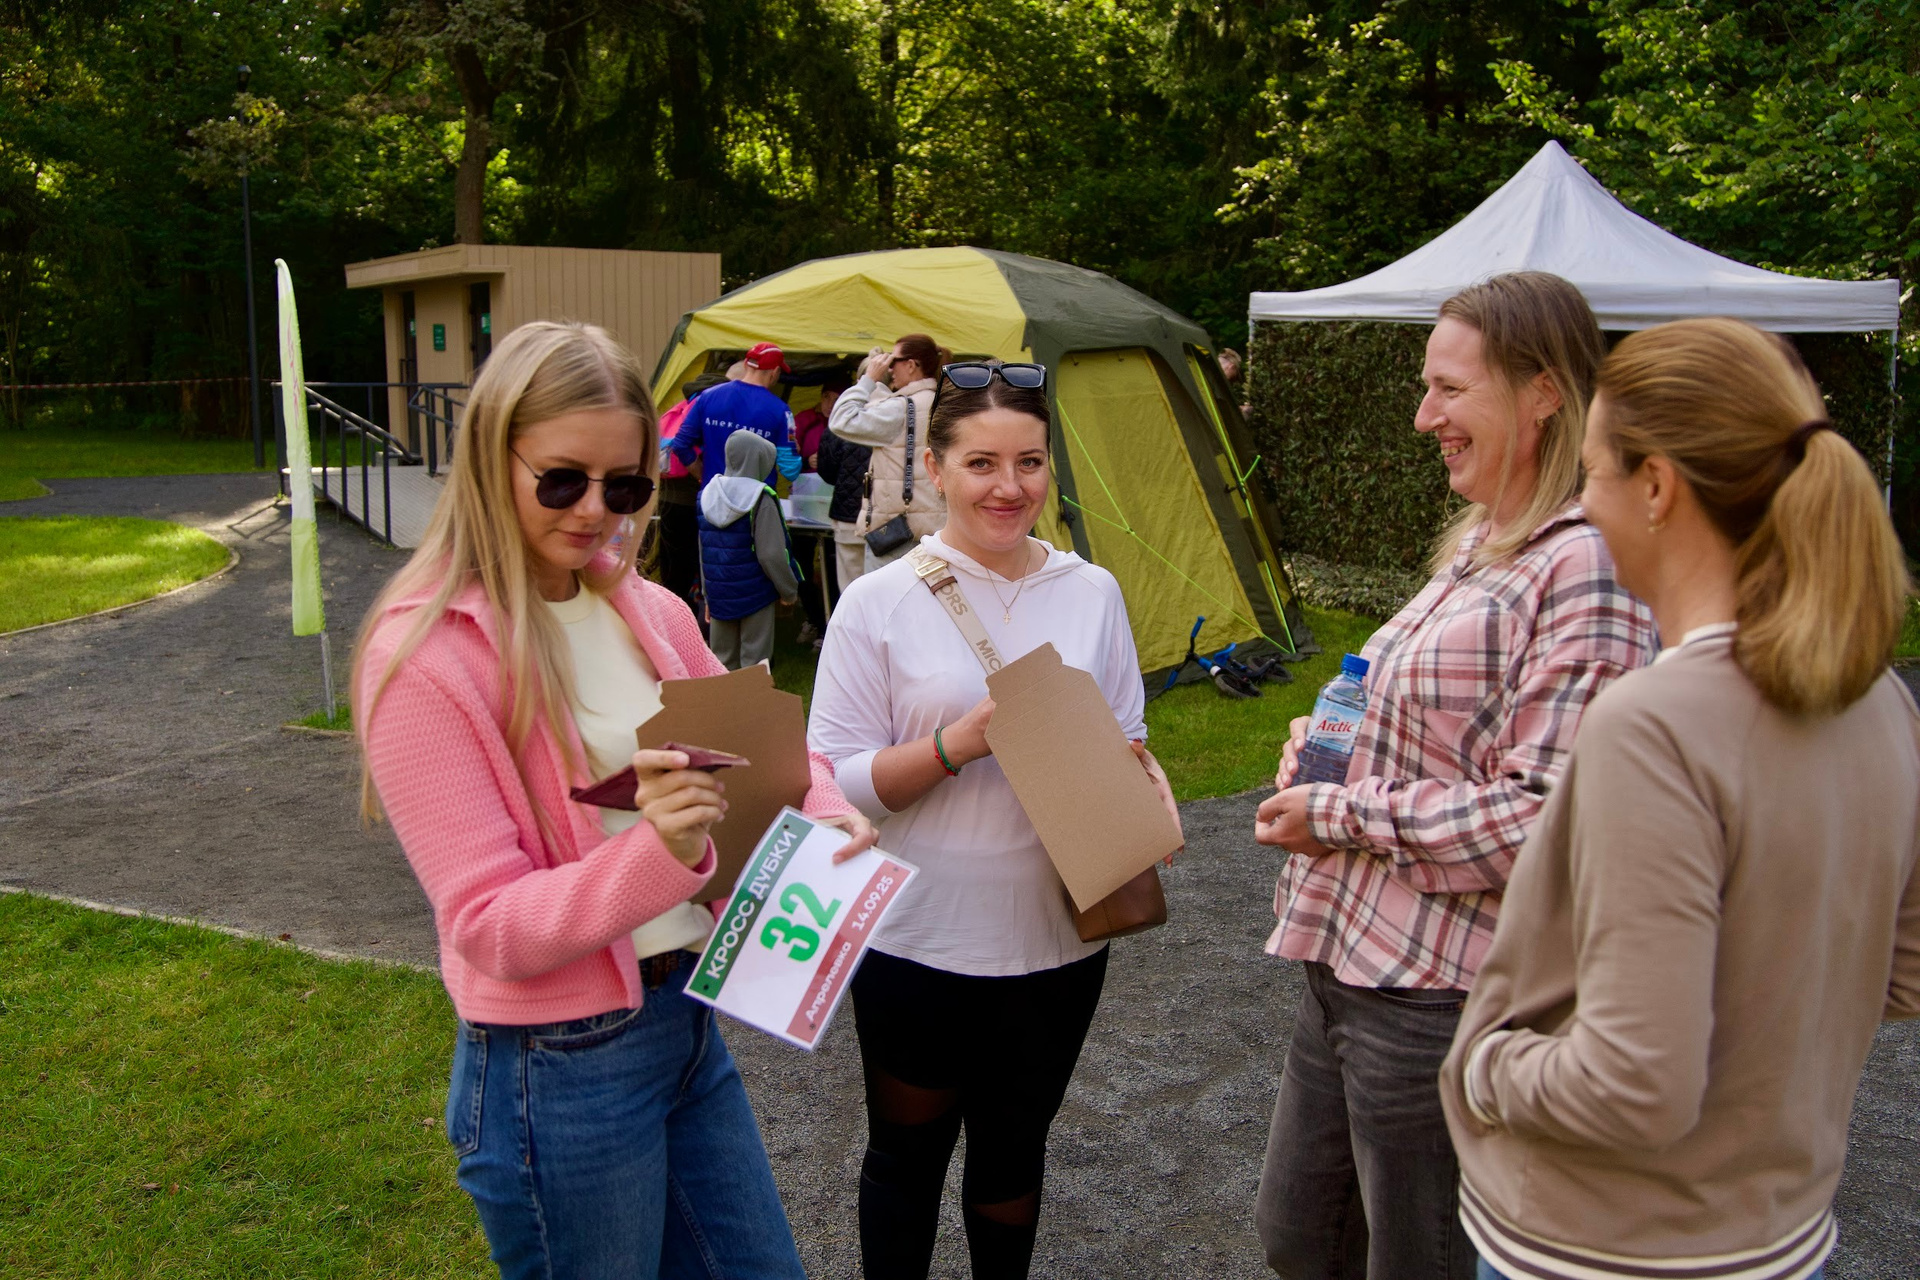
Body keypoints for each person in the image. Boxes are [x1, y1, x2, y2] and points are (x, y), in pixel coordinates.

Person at [350, 321, 875, 1279]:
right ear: (491, 458)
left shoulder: (648, 608)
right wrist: (661, 853)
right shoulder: (424, 657)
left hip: (684, 1022)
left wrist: (826, 801)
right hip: (555, 1067)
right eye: (562, 481)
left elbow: (764, 746)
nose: (596, 512)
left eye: (626, 487)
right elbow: (487, 927)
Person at [1439, 318, 1920, 1280]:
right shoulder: (1879, 702)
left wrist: (1482, 1066)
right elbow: (1903, 974)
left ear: (1656, 487)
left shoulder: (1655, 726)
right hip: (1777, 1237)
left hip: (1603, 1248)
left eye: (1593, 473)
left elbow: (1633, 1086)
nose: (1583, 502)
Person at [1251, 272, 1657, 1279]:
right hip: (1350, 962)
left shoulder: (1588, 565)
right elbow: (1425, 723)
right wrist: (1327, 744)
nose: (1423, 416)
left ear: (1543, 391)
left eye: (1449, 388)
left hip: (1443, 994)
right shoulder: (1482, 541)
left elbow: (1548, 817)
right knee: (1302, 1239)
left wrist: (1340, 811)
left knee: (1417, 1259)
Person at [808, 360, 1180, 1280]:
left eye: (1029, 462)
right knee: (906, 1160)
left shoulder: (1092, 591)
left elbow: (1125, 733)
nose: (1009, 487)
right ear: (934, 467)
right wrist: (957, 744)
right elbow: (833, 782)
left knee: (1014, 1157)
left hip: (1056, 939)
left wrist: (1139, 783)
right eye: (981, 463)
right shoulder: (879, 601)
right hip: (917, 939)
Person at [828, 332, 949, 572]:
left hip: (897, 532)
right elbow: (886, 406)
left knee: (881, 596)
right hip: (937, 529)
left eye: (893, 361)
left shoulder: (901, 409)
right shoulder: (943, 403)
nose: (890, 368)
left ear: (911, 365)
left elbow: (841, 419)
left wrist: (868, 379)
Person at [698, 429, 800, 669]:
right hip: (756, 593)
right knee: (755, 661)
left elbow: (703, 551)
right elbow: (771, 554)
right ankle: (753, 696)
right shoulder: (762, 498)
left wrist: (707, 594)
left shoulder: (706, 495)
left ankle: (722, 695)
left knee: (722, 661)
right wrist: (788, 590)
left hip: (719, 592)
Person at [669, 341, 803, 490]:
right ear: (775, 372)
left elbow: (680, 445)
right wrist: (793, 450)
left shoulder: (707, 396)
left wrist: (704, 476)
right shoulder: (782, 411)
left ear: (746, 364)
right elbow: (791, 471)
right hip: (755, 498)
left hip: (713, 495)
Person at [655, 371, 726, 617]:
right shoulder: (707, 409)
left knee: (672, 566)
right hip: (691, 499)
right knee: (694, 565)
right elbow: (684, 446)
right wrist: (702, 477)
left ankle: (668, 617)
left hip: (666, 497)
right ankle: (687, 620)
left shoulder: (679, 408)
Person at [812, 374, 870, 601]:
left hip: (848, 517)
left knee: (850, 591)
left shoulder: (839, 422)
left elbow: (826, 470)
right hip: (891, 520)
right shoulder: (904, 414)